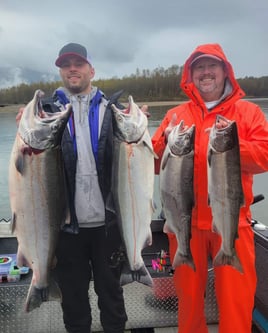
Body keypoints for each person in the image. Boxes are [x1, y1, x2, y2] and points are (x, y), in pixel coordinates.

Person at [152, 43, 268, 333]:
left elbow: (264, 156)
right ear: (190, 76)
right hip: (185, 222)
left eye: (211, 66)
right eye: (199, 68)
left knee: (236, 302)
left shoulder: (249, 112)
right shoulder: (176, 116)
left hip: (232, 220)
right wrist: (165, 142)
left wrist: (228, 144)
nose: (205, 73)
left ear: (225, 72)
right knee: (189, 303)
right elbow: (153, 163)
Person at [41, 42, 128, 333]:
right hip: (66, 227)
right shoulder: (45, 115)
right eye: (66, 65)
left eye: (78, 63)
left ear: (91, 70)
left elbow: (134, 159)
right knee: (74, 301)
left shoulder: (113, 110)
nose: (72, 69)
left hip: (108, 223)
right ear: (61, 72)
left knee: (112, 296)